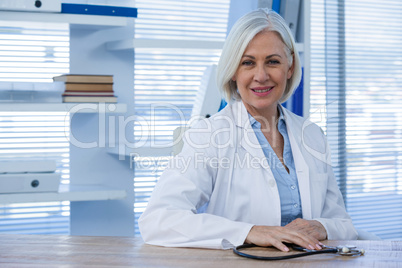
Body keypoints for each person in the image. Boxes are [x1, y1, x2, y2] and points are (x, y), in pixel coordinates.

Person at [139, 8, 358, 251]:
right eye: (248, 63)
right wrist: (249, 232)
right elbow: (159, 220)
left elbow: (342, 223)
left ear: (290, 66)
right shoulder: (209, 136)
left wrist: (322, 227)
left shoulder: (312, 135)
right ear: (233, 70)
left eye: (273, 61)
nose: (261, 76)